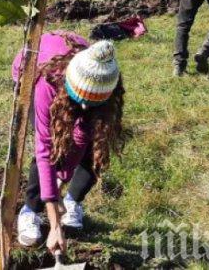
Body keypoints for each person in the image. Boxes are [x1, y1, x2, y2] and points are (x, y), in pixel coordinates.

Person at [13, 32, 125, 254]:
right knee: (54, 147)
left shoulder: (106, 84)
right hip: (32, 74)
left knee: (97, 145)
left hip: (86, 90)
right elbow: (45, 151)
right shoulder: (48, 83)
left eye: (90, 103)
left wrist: (60, 181)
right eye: (81, 101)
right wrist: (54, 225)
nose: (84, 108)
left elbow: (81, 139)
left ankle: (72, 202)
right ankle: (30, 211)